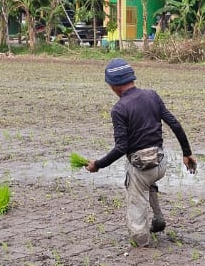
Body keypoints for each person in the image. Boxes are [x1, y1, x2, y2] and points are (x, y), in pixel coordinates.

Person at [84, 58, 197, 246]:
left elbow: (122, 147)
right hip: (160, 164)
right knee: (147, 180)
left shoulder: (119, 109)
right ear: (132, 78)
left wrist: (98, 164)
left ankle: (142, 243)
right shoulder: (152, 96)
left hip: (142, 168)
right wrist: (186, 153)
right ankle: (158, 217)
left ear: (113, 85)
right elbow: (175, 124)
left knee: (136, 196)